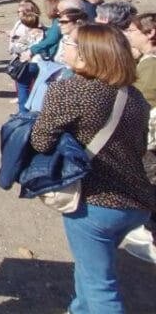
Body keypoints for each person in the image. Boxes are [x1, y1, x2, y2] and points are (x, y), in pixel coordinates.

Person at [30, 24, 154, 313]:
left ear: (87, 56)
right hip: (136, 199)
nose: (65, 47)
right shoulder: (132, 96)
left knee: (103, 288)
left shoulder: (69, 90)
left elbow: (41, 141)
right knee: (91, 267)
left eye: (71, 44)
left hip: (96, 201)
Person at [124, 13, 156, 262]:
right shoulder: (145, 61)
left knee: (148, 185)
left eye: (133, 31)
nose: (128, 34)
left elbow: (138, 101)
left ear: (150, 34)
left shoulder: (151, 66)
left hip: (149, 138)